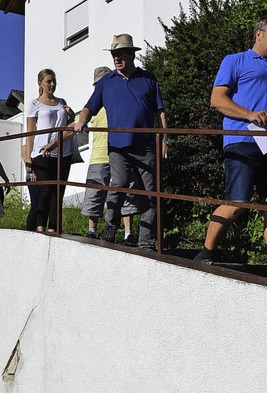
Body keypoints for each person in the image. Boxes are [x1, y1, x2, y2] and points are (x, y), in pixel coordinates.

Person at [194, 16, 267, 284]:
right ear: (259, 34)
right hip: (241, 140)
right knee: (237, 203)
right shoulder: (235, 61)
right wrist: (249, 114)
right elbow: (217, 99)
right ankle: (205, 254)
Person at [74, 34, 168, 250]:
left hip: (145, 146)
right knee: (119, 185)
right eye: (114, 55)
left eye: (121, 54)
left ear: (132, 54)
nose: (117, 58)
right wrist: (82, 120)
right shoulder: (106, 82)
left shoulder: (148, 79)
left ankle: (146, 242)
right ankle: (111, 226)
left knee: (151, 193)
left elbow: (160, 112)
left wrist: (165, 138)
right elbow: (90, 106)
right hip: (118, 146)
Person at [80, 66, 140, 245]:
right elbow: (77, 124)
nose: (102, 87)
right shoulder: (93, 106)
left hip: (120, 153)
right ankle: (91, 231)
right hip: (99, 156)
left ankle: (128, 233)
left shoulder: (120, 101)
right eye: (98, 84)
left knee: (125, 193)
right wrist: (53, 143)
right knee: (95, 194)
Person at [24, 69, 75, 233]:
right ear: (40, 83)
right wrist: (28, 161)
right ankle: (40, 226)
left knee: (57, 192)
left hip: (62, 153)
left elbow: (70, 127)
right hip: (41, 152)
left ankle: (54, 227)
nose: (52, 84)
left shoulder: (62, 102)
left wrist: (72, 116)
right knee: (44, 190)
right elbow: (30, 134)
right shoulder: (34, 104)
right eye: (48, 81)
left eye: (53, 81)